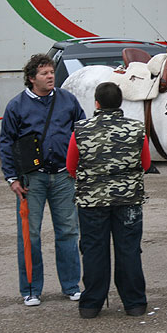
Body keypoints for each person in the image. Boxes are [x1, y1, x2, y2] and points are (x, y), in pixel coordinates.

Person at [0, 54, 85, 307]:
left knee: (68, 232)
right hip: (30, 181)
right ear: (31, 78)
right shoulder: (16, 106)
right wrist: (11, 177)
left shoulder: (68, 99)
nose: (50, 76)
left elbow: (80, 131)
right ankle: (30, 289)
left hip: (63, 177)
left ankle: (71, 285)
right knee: (30, 234)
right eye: (45, 73)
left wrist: (79, 168)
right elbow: (6, 142)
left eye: (51, 72)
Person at [66, 82, 151, 318]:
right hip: (128, 200)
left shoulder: (81, 129)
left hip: (92, 201)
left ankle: (91, 304)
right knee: (129, 250)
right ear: (120, 103)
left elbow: (71, 166)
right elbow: (145, 164)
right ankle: (134, 303)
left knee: (93, 250)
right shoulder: (136, 129)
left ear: (96, 103)